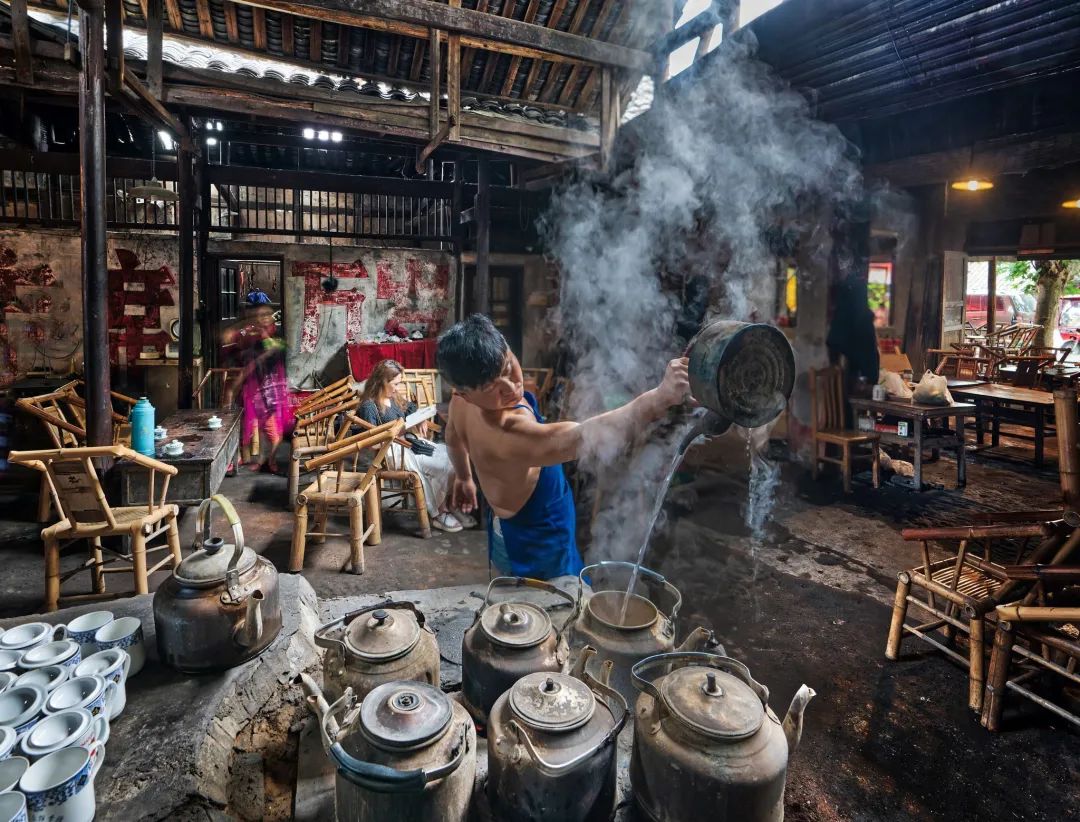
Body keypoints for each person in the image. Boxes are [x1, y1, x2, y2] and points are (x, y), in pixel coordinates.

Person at [437, 314, 691, 580]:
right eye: (493, 388)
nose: (512, 387)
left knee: (511, 595)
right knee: (553, 605)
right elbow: (585, 437)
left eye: (507, 367)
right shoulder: (509, 434)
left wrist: (465, 478)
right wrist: (660, 397)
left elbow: (453, 437)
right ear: (466, 393)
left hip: (504, 525)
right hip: (538, 538)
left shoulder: (459, 402)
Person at [357, 359, 474, 533]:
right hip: (390, 451)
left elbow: (410, 407)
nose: (398, 388)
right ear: (382, 382)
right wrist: (395, 433)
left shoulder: (393, 397)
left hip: (409, 443)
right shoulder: (370, 406)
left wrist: (420, 418)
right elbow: (370, 443)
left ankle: (449, 505)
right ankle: (438, 513)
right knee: (441, 466)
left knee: (452, 459)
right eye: (395, 384)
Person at [232, 307, 289, 473]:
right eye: (259, 316)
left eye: (265, 315)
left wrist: (263, 339)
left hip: (271, 388)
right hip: (254, 387)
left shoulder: (277, 334)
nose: (262, 318)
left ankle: (271, 460)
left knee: (271, 429)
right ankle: (261, 460)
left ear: (271, 318)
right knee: (256, 427)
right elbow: (241, 349)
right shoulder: (251, 335)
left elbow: (277, 351)